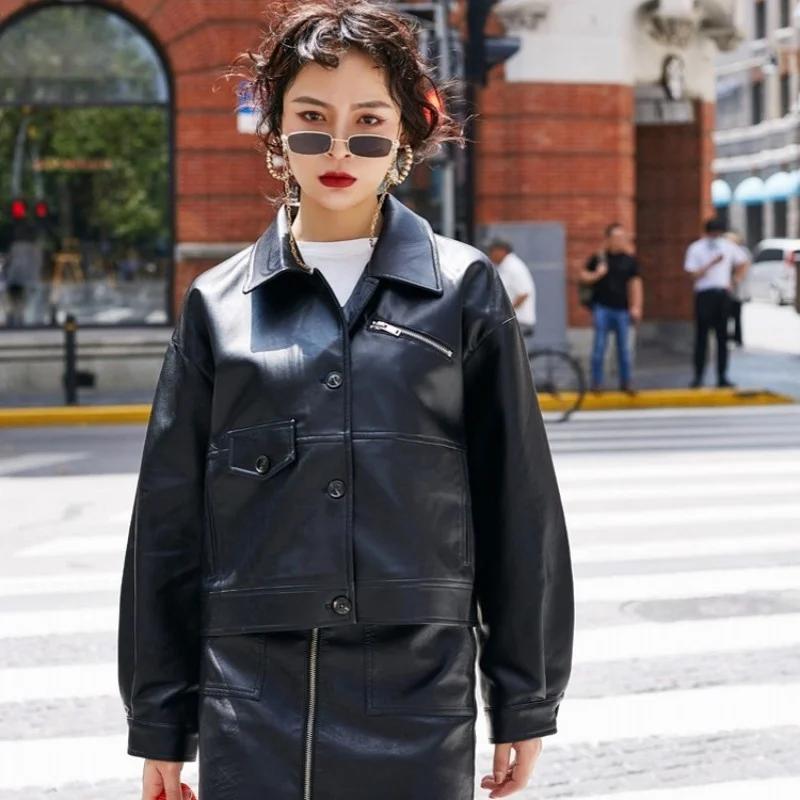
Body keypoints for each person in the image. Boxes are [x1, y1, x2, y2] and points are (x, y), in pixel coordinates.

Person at [117, 4, 574, 800]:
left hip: (419, 697)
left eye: (367, 124)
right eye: (310, 122)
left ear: (404, 135)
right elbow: (167, 528)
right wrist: (161, 723)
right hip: (250, 704)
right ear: (274, 130)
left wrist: (524, 702)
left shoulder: (464, 291)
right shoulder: (216, 306)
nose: (337, 150)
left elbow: (519, 510)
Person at [579, 222, 643, 393]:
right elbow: (583, 277)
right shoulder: (599, 258)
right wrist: (596, 274)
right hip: (602, 307)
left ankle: (626, 381)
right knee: (599, 347)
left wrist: (636, 306)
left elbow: (635, 284)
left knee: (624, 349)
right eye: (616, 238)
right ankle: (597, 382)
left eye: (622, 238)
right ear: (608, 239)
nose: (620, 241)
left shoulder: (630, 261)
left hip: (622, 309)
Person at [684, 218, 748, 388]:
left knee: (722, 338)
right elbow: (692, 275)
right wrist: (710, 264)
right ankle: (698, 376)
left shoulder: (727, 246)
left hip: (722, 293)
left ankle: (722, 376)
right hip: (704, 293)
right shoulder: (696, 248)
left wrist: (734, 280)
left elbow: (743, 262)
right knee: (701, 338)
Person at [486, 238, 537, 340]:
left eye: (492, 250)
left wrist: (505, 312)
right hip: (510, 321)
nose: (489, 254)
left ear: (502, 251)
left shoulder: (513, 267)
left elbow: (523, 294)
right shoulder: (505, 266)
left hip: (517, 321)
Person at [724, 230, 751, 348]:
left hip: (736, 290)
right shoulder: (735, 250)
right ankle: (731, 337)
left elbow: (743, 266)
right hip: (730, 290)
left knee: (735, 315)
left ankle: (737, 338)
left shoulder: (740, 251)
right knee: (728, 316)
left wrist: (735, 279)